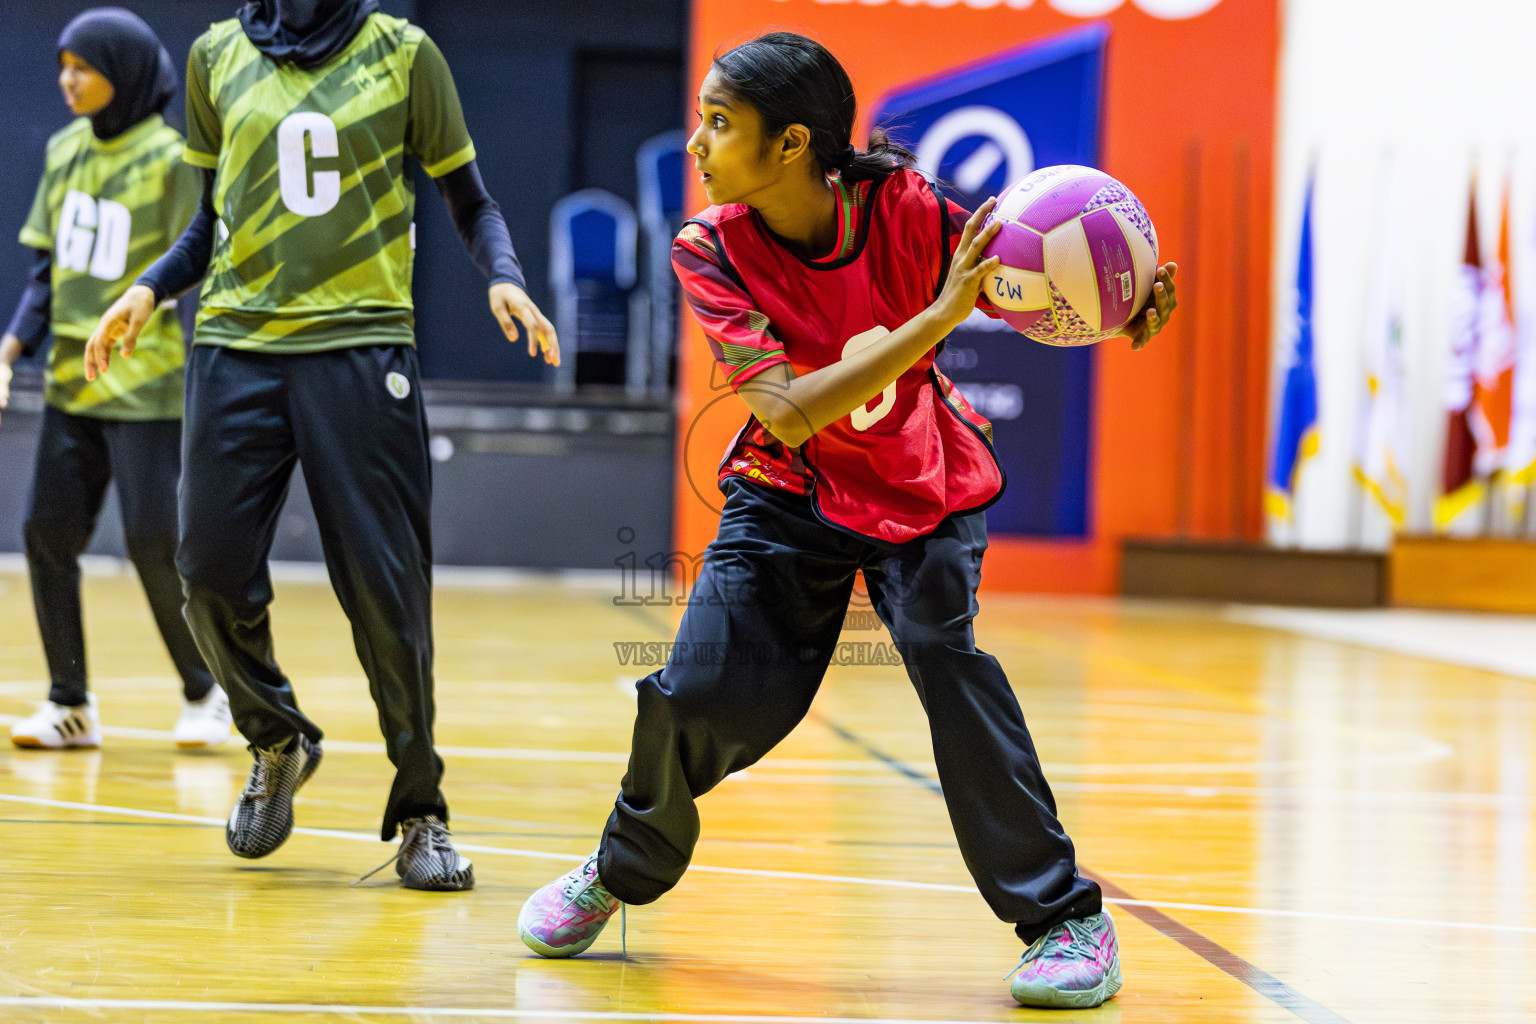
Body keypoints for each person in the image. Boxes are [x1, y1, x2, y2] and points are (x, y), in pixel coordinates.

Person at [516, 32, 1177, 1009]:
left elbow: (1029, 270)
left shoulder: (907, 211)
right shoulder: (710, 247)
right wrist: (932, 324)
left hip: (921, 483)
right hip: (786, 493)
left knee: (943, 656)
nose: (696, 142)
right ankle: (619, 870)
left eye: (718, 122)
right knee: (693, 691)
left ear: (790, 146)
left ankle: (1066, 919)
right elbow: (786, 410)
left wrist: (1122, 303)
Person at [84, 0, 559, 891]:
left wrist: (504, 277)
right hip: (233, 346)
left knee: (386, 592)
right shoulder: (215, 56)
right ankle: (276, 738)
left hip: (360, 345)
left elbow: (472, 201)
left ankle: (421, 812)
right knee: (207, 572)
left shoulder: (405, 55)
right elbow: (206, 224)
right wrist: (146, 290)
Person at [3, 8, 228, 752]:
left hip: (146, 383)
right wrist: (10, 348)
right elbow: (47, 275)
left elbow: (191, 265)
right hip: (70, 381)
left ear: (122, 76)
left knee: (153, 540)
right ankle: (70, 701)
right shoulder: (65, 149)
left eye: (83, 68)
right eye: (62, 66)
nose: (66, 80)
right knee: (45, 532)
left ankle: (205, 693)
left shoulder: (170, 159)